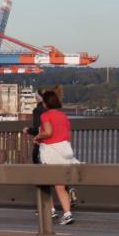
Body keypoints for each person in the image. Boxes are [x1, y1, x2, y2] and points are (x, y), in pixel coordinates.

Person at [33, 89, 79, 225]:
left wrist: (38, 136)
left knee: (45, 181)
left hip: (50, 151)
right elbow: (68, 135)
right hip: (64, 149)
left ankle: (51, 210)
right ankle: (67, 214)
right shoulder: (64, 116)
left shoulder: (45, 115)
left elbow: (48, 132)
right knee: (60, 185)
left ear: (45, 103)